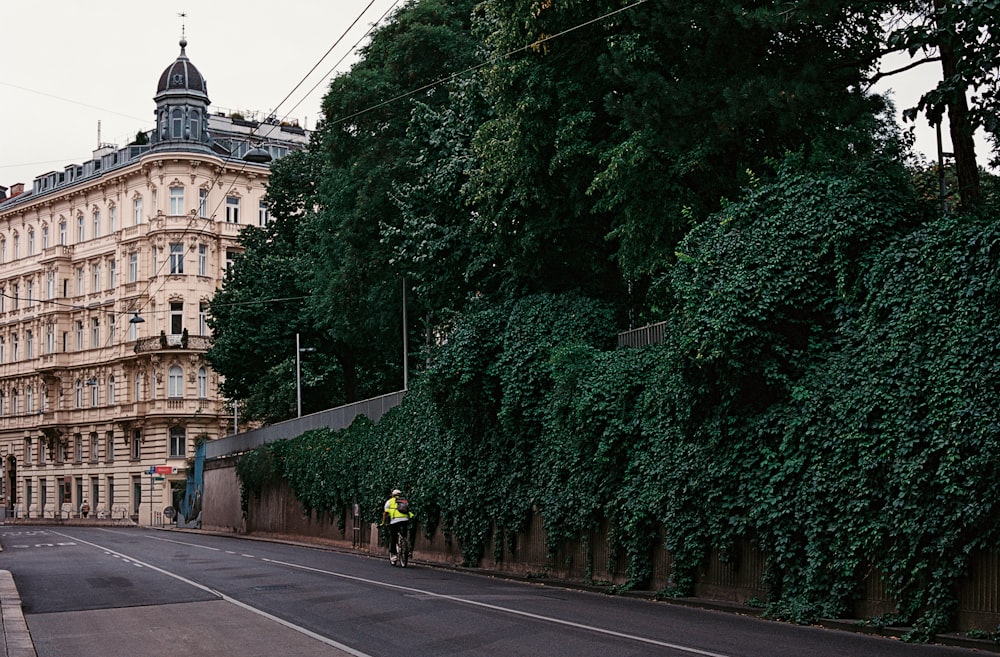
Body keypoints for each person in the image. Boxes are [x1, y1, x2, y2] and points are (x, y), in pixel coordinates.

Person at [382, 488, 413, 564]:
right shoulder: (405, 501)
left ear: (393, 495)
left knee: (393, 537)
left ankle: (394, 555)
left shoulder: (390, 501)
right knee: (404, 536)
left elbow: (385, 512)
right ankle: (405, 546)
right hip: (405, 520)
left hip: (395, 521)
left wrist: (383, 522)